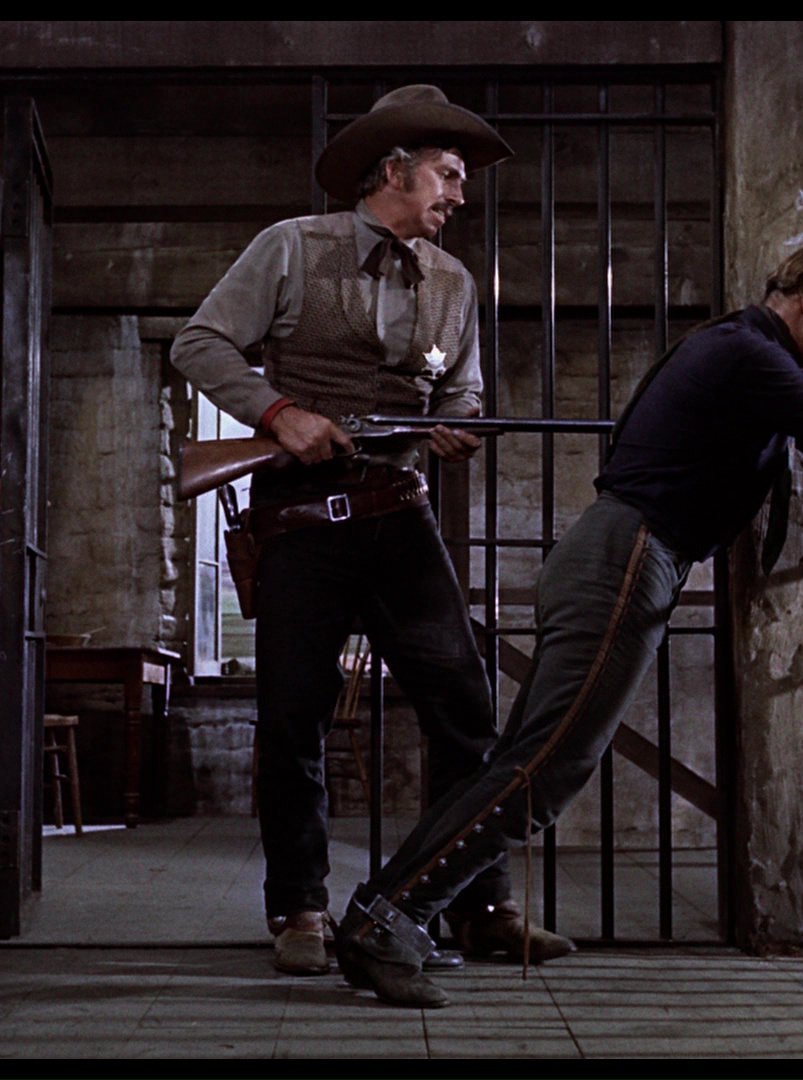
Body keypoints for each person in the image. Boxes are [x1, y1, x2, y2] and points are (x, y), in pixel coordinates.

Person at [332, 238, 803, 1007]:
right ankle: (384, 920)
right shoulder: (749, 353)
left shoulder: (737, 348)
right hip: (628, 557)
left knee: (530, 762)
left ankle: (407, 917)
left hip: (622, 554)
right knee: (546, 769)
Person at [171, 85, 573, 976]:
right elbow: (198, 346)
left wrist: (456, 424)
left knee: (467, 716)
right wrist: (280, 415)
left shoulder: (454, 281)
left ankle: (480, 907)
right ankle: (301, 911)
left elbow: (463, 388)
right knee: (293, 721)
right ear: (393, 171)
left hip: (399, 514)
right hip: (301, 522)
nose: (458, 194)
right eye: (447, 174)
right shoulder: (291, 245)